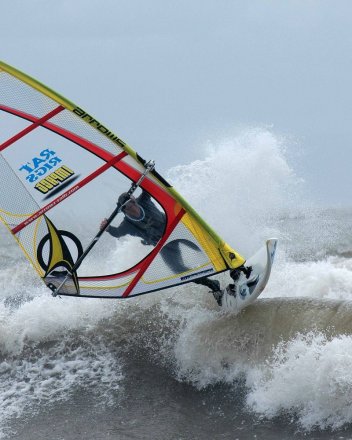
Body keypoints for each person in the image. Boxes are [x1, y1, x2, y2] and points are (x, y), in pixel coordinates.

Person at [100, 191, 222, 297]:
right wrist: (107, 228)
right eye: (126, 209)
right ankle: (212, 284)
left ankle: (232, 266)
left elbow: (146, 185)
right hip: (163, 245)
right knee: (177, 269)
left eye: (131, 204)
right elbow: (117, 233)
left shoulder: (143, 200)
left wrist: (140, 177)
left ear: (134, 200)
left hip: (175, 230)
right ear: (124, 211)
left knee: (203, 247)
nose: (132, 209)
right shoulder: (127, 224)